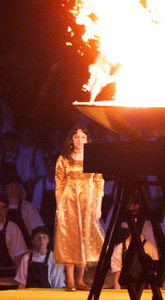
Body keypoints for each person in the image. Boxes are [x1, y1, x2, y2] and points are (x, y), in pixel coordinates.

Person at [54, 125, 105, 291]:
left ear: (88, 140)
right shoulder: (64, 159)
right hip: (69, 202)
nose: (80, 140)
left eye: (83, 137)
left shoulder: (94, 157)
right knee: (70, 238)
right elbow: (59, 184)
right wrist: (58, 207)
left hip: (88, 202)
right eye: (76, 137)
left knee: (85, 236)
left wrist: (98, 207)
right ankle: (70, 280)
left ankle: (80, 279)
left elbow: (99, 183)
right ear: (71, 140)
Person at [110, 219, 159, 289]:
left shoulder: (150, 248)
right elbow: (118, 276)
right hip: (125, 292)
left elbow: (153, 276)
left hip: (144, 293)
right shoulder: (119, 248)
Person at [2, 176, 43, 245]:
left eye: (16, 186)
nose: (12, 189)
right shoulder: (0, 208)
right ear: (5, 189)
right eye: (10, 186)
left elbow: (37, 228)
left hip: (26, 247)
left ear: (20, 189)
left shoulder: (29, 207)